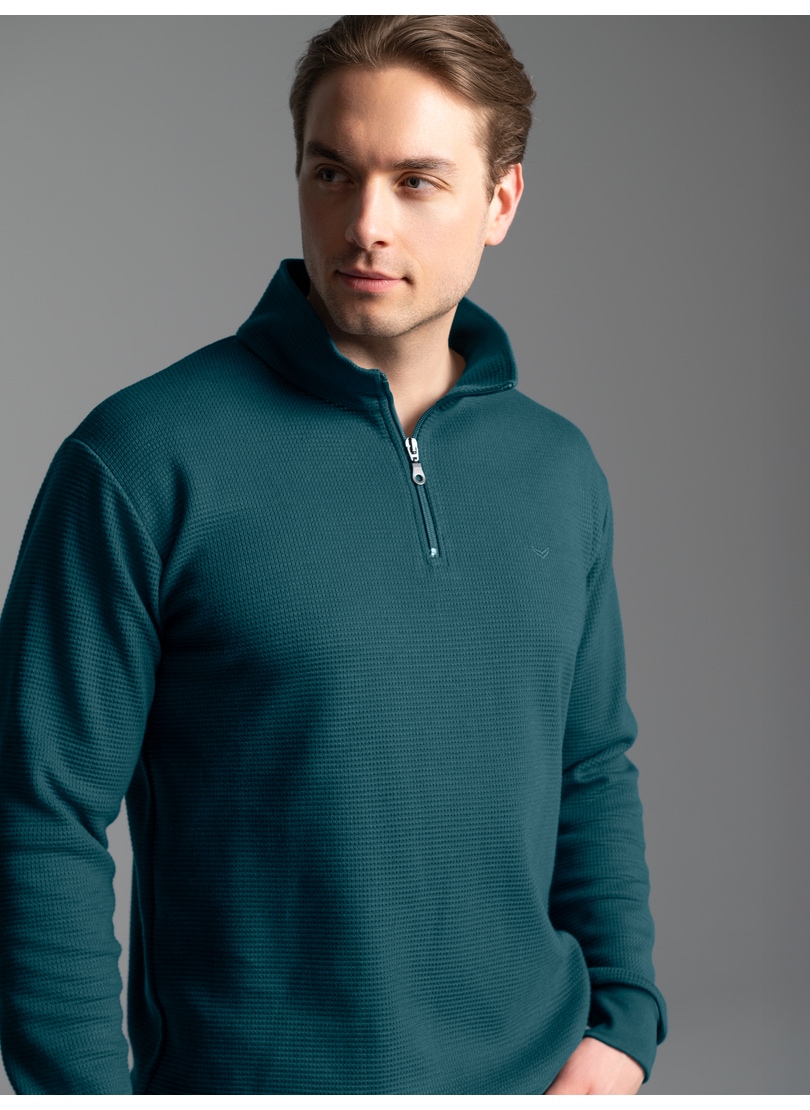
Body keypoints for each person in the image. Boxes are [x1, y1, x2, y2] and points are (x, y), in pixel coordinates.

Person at [0, 15, 666, 1095]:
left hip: (541, 1080)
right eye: (332, 172)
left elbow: (589, 764)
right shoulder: (141, 458)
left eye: (416, 182)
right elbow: (35, 809)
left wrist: (624, 1025)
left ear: (501, 201)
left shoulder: (558, 469)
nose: (364, 224)